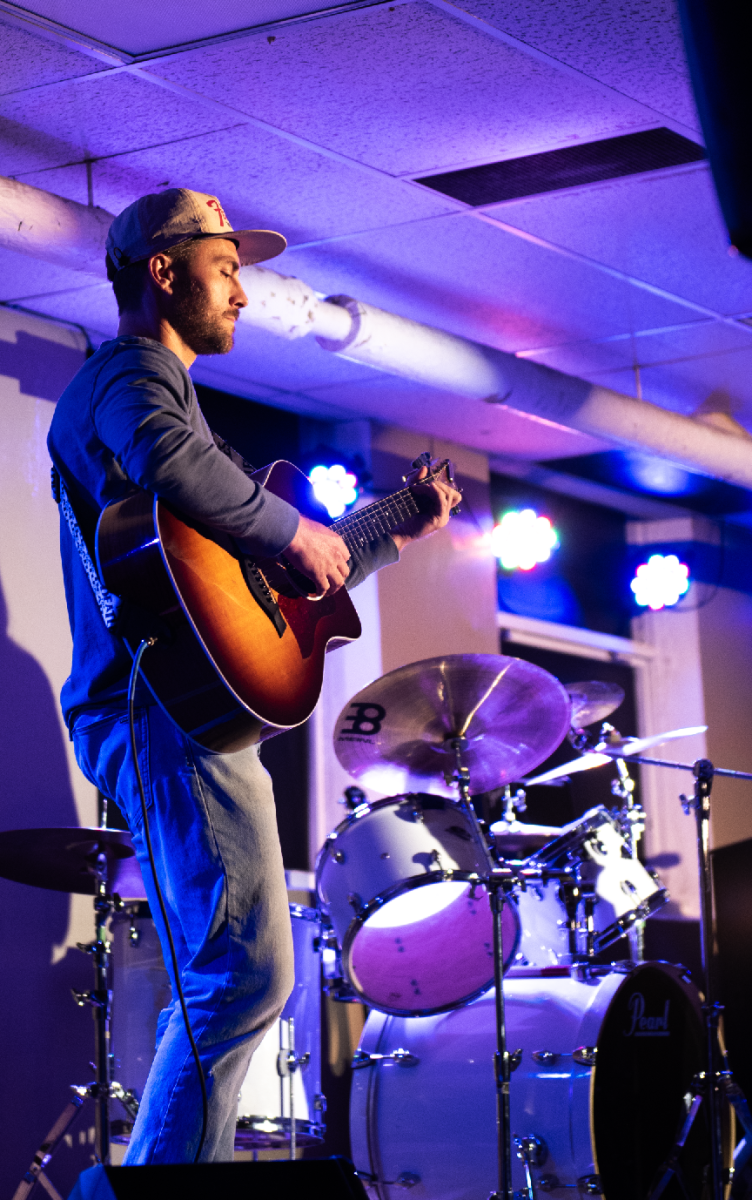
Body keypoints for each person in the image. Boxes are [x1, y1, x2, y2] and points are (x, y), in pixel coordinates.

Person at [47, 188, 461, 1164]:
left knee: (240, 976)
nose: (241, 291)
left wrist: (379, 531)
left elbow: (259, 580)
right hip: (161, 711)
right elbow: (169, 459)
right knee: (241, 977)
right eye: (225, 266)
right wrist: (293, 529)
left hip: (186, 712)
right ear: (161, 269)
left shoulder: (164, 400)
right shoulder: (130, 376)